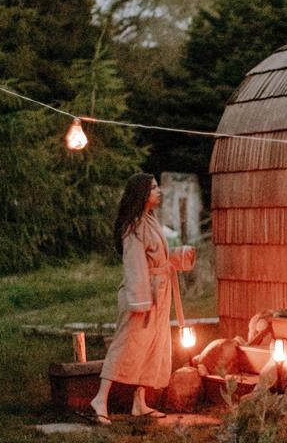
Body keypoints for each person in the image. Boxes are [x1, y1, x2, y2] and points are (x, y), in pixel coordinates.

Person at [84, 173, 196, 424]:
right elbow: (134, 265)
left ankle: (139, 402)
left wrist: (179, 255)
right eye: (153, 188)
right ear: (142, 193)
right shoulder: (133, 226)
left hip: (158, 295)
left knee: (152, 348)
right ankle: (100, 399)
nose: (159, 191)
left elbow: (155, 257)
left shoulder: (149, 220)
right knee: (126, 346)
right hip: (141, 296)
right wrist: (141, 302)